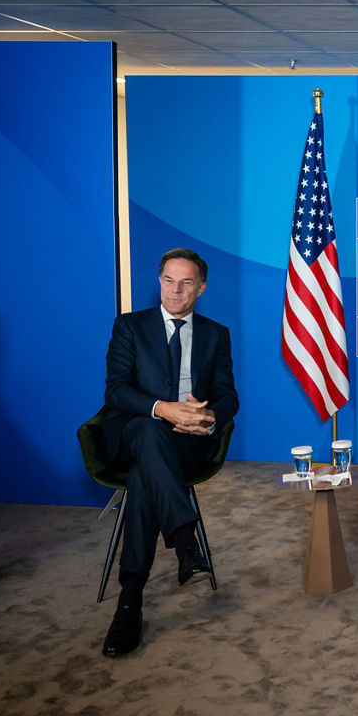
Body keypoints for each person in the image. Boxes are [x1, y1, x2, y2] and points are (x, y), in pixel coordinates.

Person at [98, 247, 239, 658]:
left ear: (201, 287)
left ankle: (130, 603)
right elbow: (116, 390)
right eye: (168, 280)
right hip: (135, 431)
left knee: (146, 478)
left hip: (187, 441)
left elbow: (230, 396)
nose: (175, 290)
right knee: (146, 430)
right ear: (159, 281)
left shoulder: (216, 334)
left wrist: (206, 416)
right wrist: (164, 409)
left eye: (186, 282)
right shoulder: (130, 326)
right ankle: (184, 539)